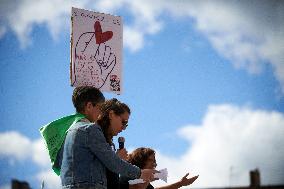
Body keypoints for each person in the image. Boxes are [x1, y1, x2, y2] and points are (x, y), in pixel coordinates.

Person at [60, 98, 157, 189]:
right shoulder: (92, 131)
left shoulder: (104, 140)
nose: (124, 128)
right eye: (123, 122)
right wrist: (140, 173)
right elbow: (113, 164)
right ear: (111, 114)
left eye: (126, 124)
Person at [40, 86, 105, 175]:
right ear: (89, 106)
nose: (101, 113)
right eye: (100, 108)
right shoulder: (88, 129)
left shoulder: (69, 128)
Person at [120, 147, 199, 189]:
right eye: (151, 160)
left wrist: (180, 184)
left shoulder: (147, 185)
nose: (154, 164)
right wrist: (147, 179)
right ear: (140, 160)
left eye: (154, 161)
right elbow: (134, 185)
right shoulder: (127, 176)